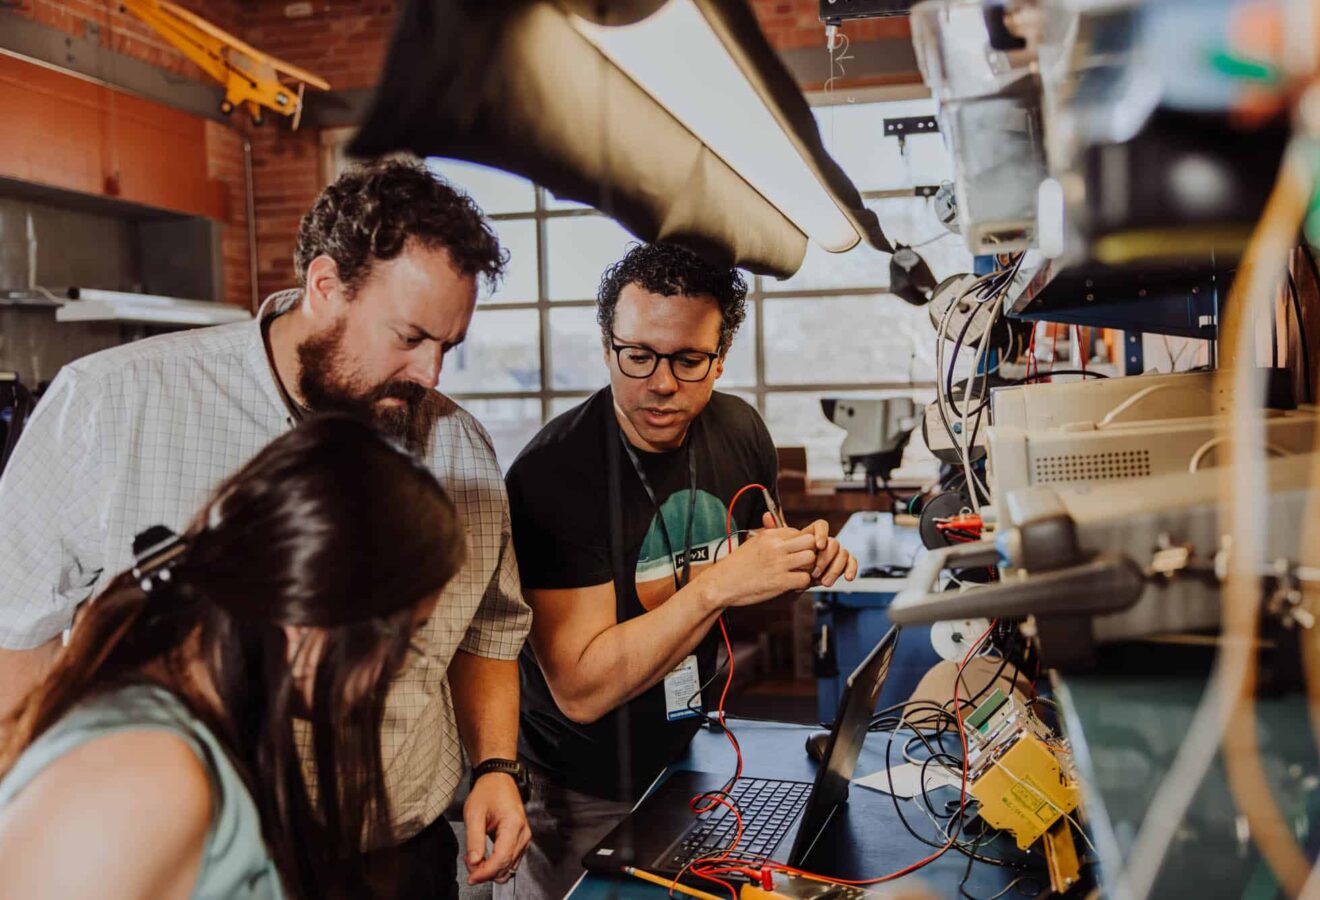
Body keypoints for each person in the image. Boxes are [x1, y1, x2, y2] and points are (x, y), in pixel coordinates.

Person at [0, 159, 532, 895]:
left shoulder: (458, 447)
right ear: (323, 286)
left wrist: (495, 766)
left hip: (394, 854)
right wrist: (49, 802)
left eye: (448, 345)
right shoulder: (112, 402)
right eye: (409, 336)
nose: (431, 375)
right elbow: (13, 626)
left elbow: (489, 631)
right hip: (184, 856)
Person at [502, 242, 859, 896]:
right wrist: (716, 585)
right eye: (637, 355)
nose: (661, 383)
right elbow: (581, 689)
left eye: (689, 360)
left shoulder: (738, 429)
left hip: (689, 754)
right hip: (578, 788)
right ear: (607, 347)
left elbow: (757, 562)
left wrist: (801, 559)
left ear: (720, 358)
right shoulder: (555, 474)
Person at [0, 416, 462, 898]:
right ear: (315, 617)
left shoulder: (202, 732)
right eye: (407, 635)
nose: (401, 666)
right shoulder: (145, 775)